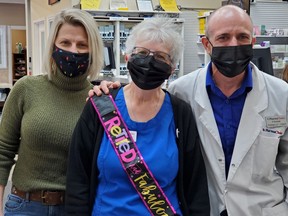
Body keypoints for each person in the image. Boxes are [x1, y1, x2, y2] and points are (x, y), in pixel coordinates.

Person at [93, 5, 288, 216]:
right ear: (207, 44)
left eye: (242, 37)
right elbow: (142, 98)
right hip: (207, 207)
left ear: (252, 42)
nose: (234, 44)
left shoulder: (281, 94)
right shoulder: (182, 92)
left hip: (262, 209)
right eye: (223, 37)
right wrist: (109, 91)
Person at [65, 17, 210, 216]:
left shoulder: (180, 113)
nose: (149, 61)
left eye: (160, 57)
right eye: (141, 53)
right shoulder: (101, 105)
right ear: (127, 57)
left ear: (172, 68)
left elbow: (195, 186)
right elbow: (77, 178)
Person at [0, 8, 103, 216]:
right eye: (65, 43)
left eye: (82, 45)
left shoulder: (99, 100)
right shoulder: (26, 88)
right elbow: (3, 152)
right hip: (24, 205)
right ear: (53, 46)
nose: (73, 51)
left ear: (93, 50)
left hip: (75, 208)